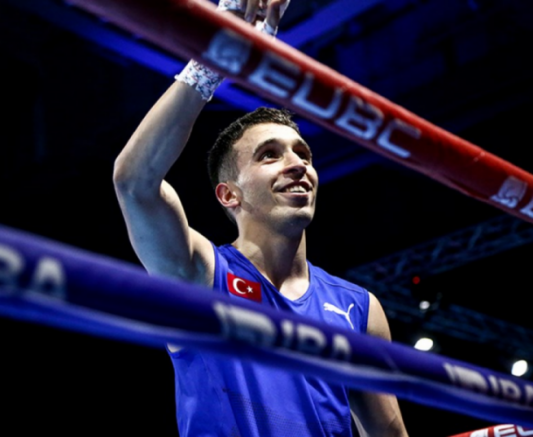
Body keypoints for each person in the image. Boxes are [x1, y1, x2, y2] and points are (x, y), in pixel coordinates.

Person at [113, 0, 409, 435]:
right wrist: (211, 60)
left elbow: (388, 434)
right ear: (228, 194)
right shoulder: (199, 275)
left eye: (303, 154)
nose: (297, 165)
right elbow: (135, 181)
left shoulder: (359, 309)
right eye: (270, 155)